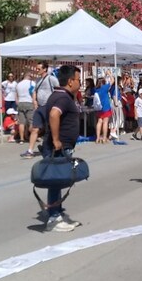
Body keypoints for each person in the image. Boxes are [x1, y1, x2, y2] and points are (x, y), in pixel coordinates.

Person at [40, 65, 83, 233]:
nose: (79, 84)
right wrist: (56, 139)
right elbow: (53, 115)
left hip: (62, 145)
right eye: (78, 80)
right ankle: (54, 218)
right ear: (71, 81)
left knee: (58, 181)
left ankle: (57, 213)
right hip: (58, 146)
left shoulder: (61, 95)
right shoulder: (63, 98)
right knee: (56, 182)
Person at [29, 62, 60, 152]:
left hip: (48, 106)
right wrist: (34, 101)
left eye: (38, 69)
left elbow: (58, 90)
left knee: (49, 128)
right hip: (39, 106)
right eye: (37, 69)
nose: (37, 70)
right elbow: (35, 91)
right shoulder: (37, 80)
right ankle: (30, 150)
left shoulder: (51, 79)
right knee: (35, 128)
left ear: (45, 69)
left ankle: (49, 147)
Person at [15, 71, 35, 155]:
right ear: (29, 76)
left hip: (21, 103)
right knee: (31, 121)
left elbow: (16, 96)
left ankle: (22, 139)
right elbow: (34, 93)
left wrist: (18, 103)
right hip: (29, 102)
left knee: (21, 122)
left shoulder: (18, 84)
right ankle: (31, 137)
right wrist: (34, 102)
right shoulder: (32, 83)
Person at [95, 71, 114, 144]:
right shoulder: (105, 87)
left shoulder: (96, 89)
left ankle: (97, 138)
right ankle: (104, 138)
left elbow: (101, 81)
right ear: (103, 82)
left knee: (99, 122)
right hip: (106, 107)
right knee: (105, 122)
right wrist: (109, 74)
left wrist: (104, 76)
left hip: (99, 108)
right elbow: (112, 80)